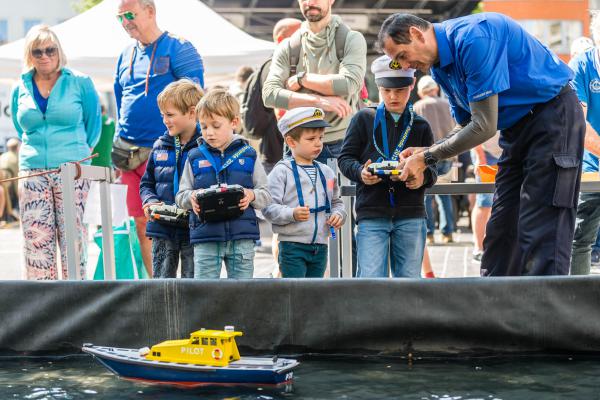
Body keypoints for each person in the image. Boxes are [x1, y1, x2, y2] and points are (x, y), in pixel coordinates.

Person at [378, 12, 585, 276]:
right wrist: (426, 151)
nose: (406, 66)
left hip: (553, 117)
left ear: (416, 34)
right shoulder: (441, 66)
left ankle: (543, 315)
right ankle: (495, 309)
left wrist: (428, 157)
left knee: (543, 227)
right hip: (516, 127)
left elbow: (484, 125)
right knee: (501, 228)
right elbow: (465, 125)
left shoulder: (474, 38)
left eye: (402, 56)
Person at [114, 0, 204, 277]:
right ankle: (158, 286)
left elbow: (197, 98)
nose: (125, 21)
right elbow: (120, 100)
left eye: (130, 14)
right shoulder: (125, 54)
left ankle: (189, 287)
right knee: (143, 223)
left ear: (150, 12)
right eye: (120, 18)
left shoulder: (179, 47)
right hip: (128, 152)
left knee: (183, 218)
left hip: (171, 150)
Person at [11, 25, 101, 280]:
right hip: (32, 170)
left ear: (58, 50)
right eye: (37, 51)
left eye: (50, 49)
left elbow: (93, 126)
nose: (44, 56)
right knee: (36, 240)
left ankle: (76, 298)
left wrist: (78, 156)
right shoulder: (21, 86)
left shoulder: (79, 82)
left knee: (73, 238)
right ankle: (42, 302)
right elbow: (21, 128)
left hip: (72, 169)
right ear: (30, 55)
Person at [338, 56, 437, 278]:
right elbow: (345, 159)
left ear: (411, 86)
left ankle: (405, 315)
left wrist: (421, 178)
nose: (393, 96)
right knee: (371, 281)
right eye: (386, 90)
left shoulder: (420, 125)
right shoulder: (363, 118)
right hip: (372, 213)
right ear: (378, 87)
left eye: (400, 90)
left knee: (409, 280)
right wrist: (361, 173)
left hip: (411, 213)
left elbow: (432, 169)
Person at [175, 89, 271, 279]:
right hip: (205, 239)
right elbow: (180, 196)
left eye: (216, 126)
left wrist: (251, 195)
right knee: (205, 296)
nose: (209, 132)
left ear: (234, 122)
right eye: (204, 127)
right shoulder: (194, 157)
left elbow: (266, 195)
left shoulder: (249, 154)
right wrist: (190, 197)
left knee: (242, 296)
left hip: (242, 239)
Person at [262, 0, 367, 163]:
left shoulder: (350, 39)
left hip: (338, 145)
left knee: (339, 190)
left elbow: (349, 83)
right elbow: (269, 95)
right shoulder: (289, 46)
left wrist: (303, 79)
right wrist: (319, 101)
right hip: (296, 146)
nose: (310, 2)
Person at [263, 107, 346, 277]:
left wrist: (339, 214)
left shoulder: (327, 172)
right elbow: (268, 207)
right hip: (292, 246)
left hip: (321, 246)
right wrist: (291, 213)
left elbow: (336, 202)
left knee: (314, 296)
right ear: (291, 142)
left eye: (321, 138)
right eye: (311, 139)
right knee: (295, 294)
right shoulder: (281, 172)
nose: (318, 143)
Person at [139, 79, 203, 278]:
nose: (165, 120)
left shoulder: (206, 147)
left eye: (170, 115)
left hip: (195, 228)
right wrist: (149, 202)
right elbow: (146, 183)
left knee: (192, 286)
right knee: (161, 283)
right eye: (162, 115)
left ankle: (190, 312)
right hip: (163, 228)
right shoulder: (160, 145)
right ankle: (162, 311)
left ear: (192, 112)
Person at [570, 17, 600, 275]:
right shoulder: (581, 65)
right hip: (592, 169)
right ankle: (575, 307)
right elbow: (578, 124)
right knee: (579, 240)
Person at [414, 75, 456, 244]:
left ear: (420, 92)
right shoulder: (448, 104)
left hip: (426, 155)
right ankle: (448, 232)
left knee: (426, 195)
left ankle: (429, 233)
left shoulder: (417, 106)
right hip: (447, 153)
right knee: (445, 195)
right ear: (436, 89)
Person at [470, 133, 502, 263]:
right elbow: (473, 128)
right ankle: (478, 248)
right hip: (485, 152)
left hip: (506, 150)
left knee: (501, 201)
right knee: (484, 202)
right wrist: (480, 156)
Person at [0, 138, 21, 218]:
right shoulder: (17, 158)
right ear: (17, 147)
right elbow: (17, 177)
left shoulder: (2, 156)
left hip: (3, 182)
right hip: (10, 183)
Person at [91, 105, 116, 170]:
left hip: (91, 163)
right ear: (104, 111)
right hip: (106, 163)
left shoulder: (90, 123)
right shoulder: (111, 123)